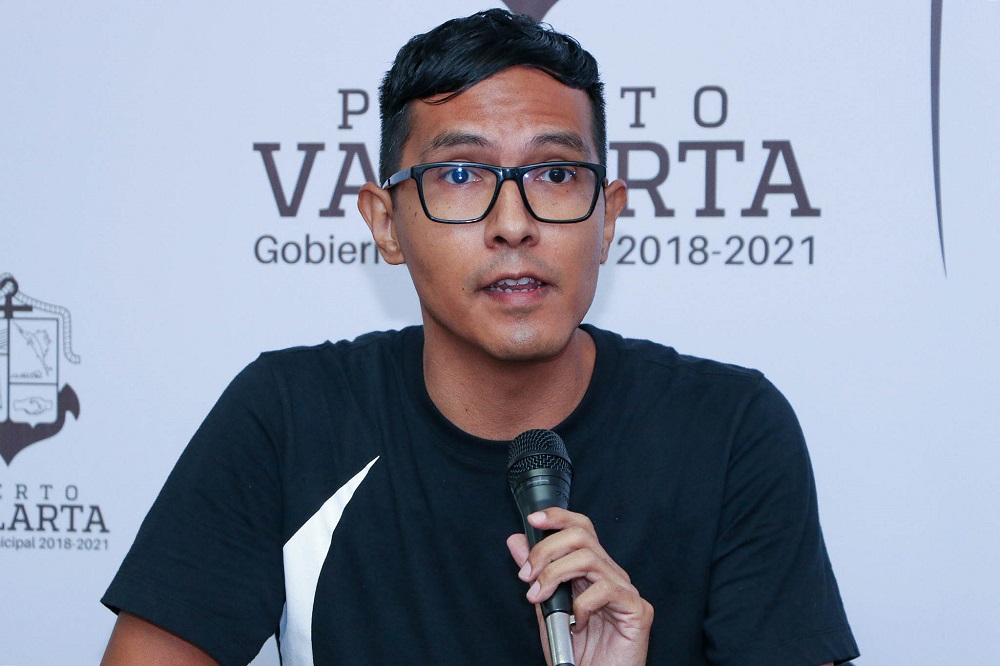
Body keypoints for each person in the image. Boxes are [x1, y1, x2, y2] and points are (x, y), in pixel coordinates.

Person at [101, 9, 859, 665]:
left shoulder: (728, 429)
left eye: (555, 175)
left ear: (608, 218)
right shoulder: (290, 416)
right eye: (461, 175)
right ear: (386, 224)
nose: (514, 224)